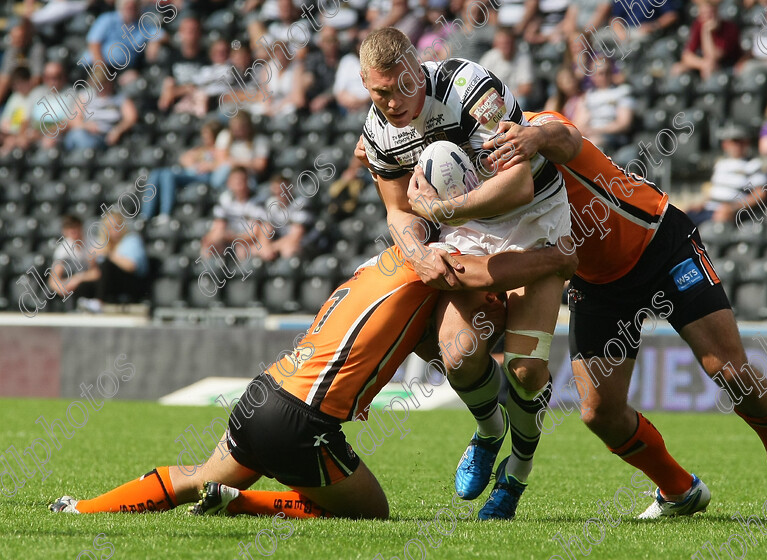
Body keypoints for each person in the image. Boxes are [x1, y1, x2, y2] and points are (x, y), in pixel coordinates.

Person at [49, 242, 577, 518]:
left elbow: (414, 342)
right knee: (371, 514)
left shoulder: (382, 266)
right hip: (301, 420)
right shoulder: (429, 264)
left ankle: (79, 508)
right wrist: (555, 260)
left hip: (263, 393)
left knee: (191, 476)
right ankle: (238, 501)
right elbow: (487, 277)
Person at [473, 109, 767, 521]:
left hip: (660, 243)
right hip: (598, 284)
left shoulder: (537, 128)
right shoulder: (481, 173)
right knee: (600, 413)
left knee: (730, 372)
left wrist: (534, 138)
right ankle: (679, 490)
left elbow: (564, 136)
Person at [358, 27, 576, 520]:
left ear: (417, 69)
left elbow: (519, 184)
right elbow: (398, 211)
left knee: (525, 370)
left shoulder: (471, 89)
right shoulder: (377, 129)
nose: (391, 102)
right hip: (466, 226)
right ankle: (488, 431)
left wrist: (447, 212)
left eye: (399, 87)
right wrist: (416, 250)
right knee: (457, 354)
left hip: (534, 221)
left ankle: (518, 471)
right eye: (379, 92)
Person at [141, 121, 224, 224]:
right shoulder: (201, 149)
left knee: (167, 175)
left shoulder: (219, 150)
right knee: (156, 173)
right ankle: (145, 214)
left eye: (207, 135)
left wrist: (209, 165)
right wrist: (194, 165)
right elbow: (184, 158)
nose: (204, 137)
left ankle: (165, 213)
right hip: (192, 173)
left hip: (203, 176)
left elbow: (222, 163)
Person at [685, 125, 767, 225]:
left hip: (731, 211)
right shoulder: (721, 164)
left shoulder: (753, 165)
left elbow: (760, 194)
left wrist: (734, 207)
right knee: (680, 216)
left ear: (747, 143)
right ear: (725, 144)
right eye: (734, 142)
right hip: (710, 208)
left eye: (741, 141)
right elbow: (714, 190)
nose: (737, 145)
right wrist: (700, 204)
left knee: (720, 217)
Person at [73, 211, 149, 309]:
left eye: (117, 227)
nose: (114, 231)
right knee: (84, 285)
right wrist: (83, 272)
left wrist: (109, 254)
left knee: (106, 264)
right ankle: (81, 306)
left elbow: (131, 266)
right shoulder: (104, 244)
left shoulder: (131, 241)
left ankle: (99, 303)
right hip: (111, 284)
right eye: (110, 228)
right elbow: (97, 273)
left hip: (131, 283)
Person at [201, 166, 269, 258]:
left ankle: (241, 272)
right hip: (229, 237)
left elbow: (253, 235)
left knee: (241, 248)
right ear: (229, 183)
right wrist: (211, 238)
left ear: (247, 182)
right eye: (235, 180)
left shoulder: (257, 200)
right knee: (209, 245)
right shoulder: (224, 198)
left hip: (246, 240)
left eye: (241, 180)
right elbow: (219, 225)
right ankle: (208, 268)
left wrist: (231, 237)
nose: (238, 184)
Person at [671, 0, 741, 80]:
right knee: (678, 68)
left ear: (716, 12)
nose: (706, 17)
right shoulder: (698, 24)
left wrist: (707, 32)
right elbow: (686, 56)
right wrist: (702, 64)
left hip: (728, 66)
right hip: (706, 63)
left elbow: (712, 57)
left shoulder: (729, 28)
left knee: (710, 68)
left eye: (710, 13)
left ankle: (710, 92)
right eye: (703, 14)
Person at [478, 27, 535, 108]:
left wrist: (506, 98)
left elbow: (526, 88)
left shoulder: (523, 58)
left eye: (508, 43)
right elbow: (480, 82)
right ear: (496, 44)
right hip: (493, 98)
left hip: (515, 98)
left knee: (521, 101)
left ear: (514, 43)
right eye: (502, 43)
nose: (505, 46)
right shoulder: (489, 57)